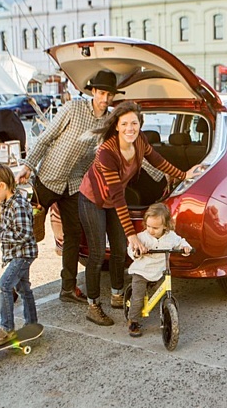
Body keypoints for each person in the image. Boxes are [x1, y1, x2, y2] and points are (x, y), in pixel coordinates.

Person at [78, 101, 189, 326]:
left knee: (120, 250)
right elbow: (118, 195)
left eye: (134, 123)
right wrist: (133, 235)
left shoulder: (139, 141)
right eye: (125, 123)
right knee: (98, 253)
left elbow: (158, 161)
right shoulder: (107, 153)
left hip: (114, 201)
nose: (130, 128)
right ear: (117, 126)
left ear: (140, 125)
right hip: (93, 200)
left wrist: (184, 174)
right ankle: (93, 305)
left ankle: (118, 295)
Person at [17, 70, 119, 307]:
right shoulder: (74, 109)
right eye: (102, 93)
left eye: (110, 95)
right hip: (48, 178)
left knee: (73, 235)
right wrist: (28, 166)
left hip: (74, 185)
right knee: (28, 233)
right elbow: (45, 138)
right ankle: (14, 283)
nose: (105, 99)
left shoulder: (109, 121)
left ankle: (68, 288)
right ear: (93, 91)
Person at [0, 163, 39, 346]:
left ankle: (7, 328)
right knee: (24, 289)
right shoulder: (5, 203)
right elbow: (8, 229)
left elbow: (24, 234)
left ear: (2, 186)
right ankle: (32, 323)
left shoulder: (18, 204)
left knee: (3, 286)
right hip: (15, 254)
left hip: (22, 255)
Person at [125, 203, 191, 337]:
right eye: (148, 226)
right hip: (141, 272)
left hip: (159, 272)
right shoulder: (143, 237)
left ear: (165, 226)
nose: (151, 230)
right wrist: (137, 252)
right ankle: (133, 320)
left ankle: (169, 313)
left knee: (162, 291)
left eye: (155, 228)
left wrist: (185, 247)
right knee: (137, 299)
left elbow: (180, 241)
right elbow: (131, 249)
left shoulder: (170, 236)